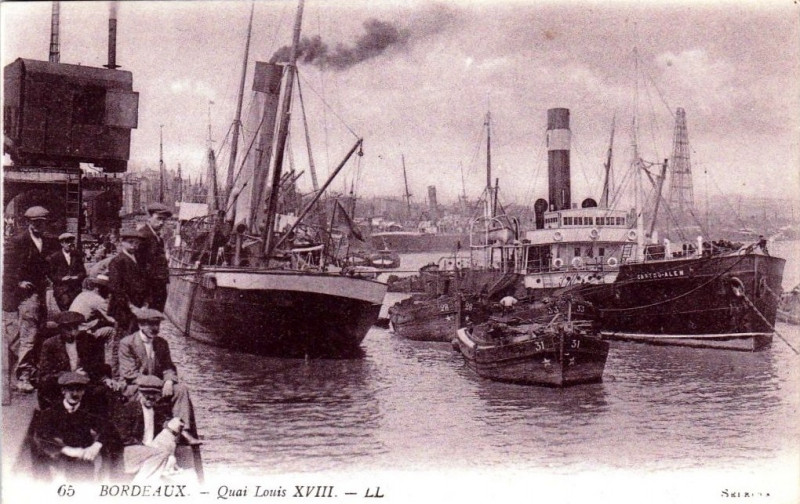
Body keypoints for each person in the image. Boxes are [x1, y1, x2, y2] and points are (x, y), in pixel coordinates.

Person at [118, 308, 200, 445]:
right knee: (144, 394)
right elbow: (129, 373)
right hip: (136, 386)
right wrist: (159, 384)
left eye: (157, 324)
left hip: (157, 387)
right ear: (140, 325)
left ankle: (183, 430)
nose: (154, 328)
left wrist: (168, 380)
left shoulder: (161, 343)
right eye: (150, 324)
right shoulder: (127, 343)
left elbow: (168, 367)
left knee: (181, 389)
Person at [3, 205, 60, 392]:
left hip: (42, 294)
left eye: (42, 222)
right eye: (35, 222)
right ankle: (23, 376)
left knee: (38, 332)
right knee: (28, 334)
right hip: (26, 297)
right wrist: (18, 282)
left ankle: (32, 372)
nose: (39, 226)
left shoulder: (47, 241)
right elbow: (7, 269)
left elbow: (50, 267)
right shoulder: (18, 241)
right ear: (28, 222)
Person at [32, 372, 119, 482]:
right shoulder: (52, 412)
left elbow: (108, 428)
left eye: (79, 390)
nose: (75, 394)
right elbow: (41, 437)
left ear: (83, 392)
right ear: (63, 391)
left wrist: (96, 446)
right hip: (59, 461)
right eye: (70, 390)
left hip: (84, 461)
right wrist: (65, 449)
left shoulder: (89, 411)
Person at [37, 311, 114, 413]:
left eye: (75, 328)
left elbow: (96, 366)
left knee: (102, 393)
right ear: (60, 329)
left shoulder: (88, 341)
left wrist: (104, 379)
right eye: (68, 329)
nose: (73, 332)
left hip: (84, 383)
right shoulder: (50, 345)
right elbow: (45, 375)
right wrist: (71, 376)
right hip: (61, 385)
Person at [114, 375, 187, 482]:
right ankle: (140, 482)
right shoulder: (128, 409)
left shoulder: (158, 411)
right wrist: (145, 447)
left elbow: (166, 427)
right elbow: (124, 437)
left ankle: (152, 476)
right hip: (131, 451)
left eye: (154, 396)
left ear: (159, 396)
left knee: (169, 457)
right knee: (162, 455)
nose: (150, 399)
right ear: (139, 393)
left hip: (151, 450)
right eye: (146, 396)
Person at [107, 229, 148, 377]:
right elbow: (116, 289)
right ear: (122, 242)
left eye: (136, 243)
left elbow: (144, 285)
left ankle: (131, 373)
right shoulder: (117, 261)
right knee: (121, 342)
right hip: (123, 310)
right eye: (130, 242)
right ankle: (117, 376)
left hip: (137, 309)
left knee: (134, 341)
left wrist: (144, 305)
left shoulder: (136, 260)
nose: (134, 246)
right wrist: (131, 307)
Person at [69, 275, 117, 366]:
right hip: (83, 333)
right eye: (107, 289)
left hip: (74, 330)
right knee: (112, 331)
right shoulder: (98, 300)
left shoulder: (83, 295)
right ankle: (109, 363)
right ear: (100, 288)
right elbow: (113, 319)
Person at [137, 203, 173, 311]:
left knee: (155, 319)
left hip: (158, 287)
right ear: (149, 217)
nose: (161, 222)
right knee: (148, 321)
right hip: (149, 289)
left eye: (164, 220)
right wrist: (144, 296)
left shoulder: (157, 238)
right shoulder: (143, 236)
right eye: (159, 218)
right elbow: (139, 266)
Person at [47, 232, 88, 312]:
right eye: (67, 242)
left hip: (75, 289)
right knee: (66, 311)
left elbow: (83, 272)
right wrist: (62, 279)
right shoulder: (55, 257)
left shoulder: (77, 256)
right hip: (62, 290)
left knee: (76, 311)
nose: (70, 244)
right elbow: (51, 275)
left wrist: (77, 277)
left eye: (71, 242)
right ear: (62, 243)